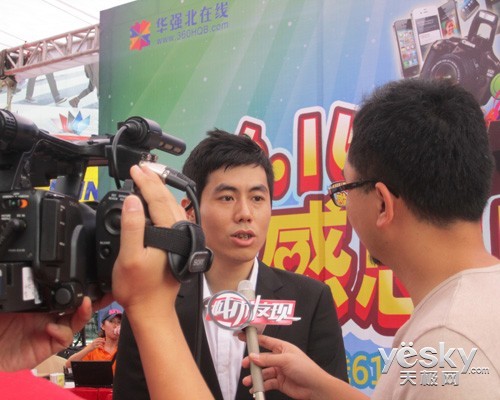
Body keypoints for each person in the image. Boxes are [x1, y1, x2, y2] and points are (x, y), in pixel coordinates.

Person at [237, 79, 500, 399]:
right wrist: (324, 387)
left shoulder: (446, 344)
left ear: (382, 204)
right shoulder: (469, 314)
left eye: (344, 189)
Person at [114, 130, 348, 400]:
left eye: (257, 198)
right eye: (227, 197)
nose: (245, 214)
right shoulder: (154, 299)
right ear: (190, 210)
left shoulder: (311, 299)